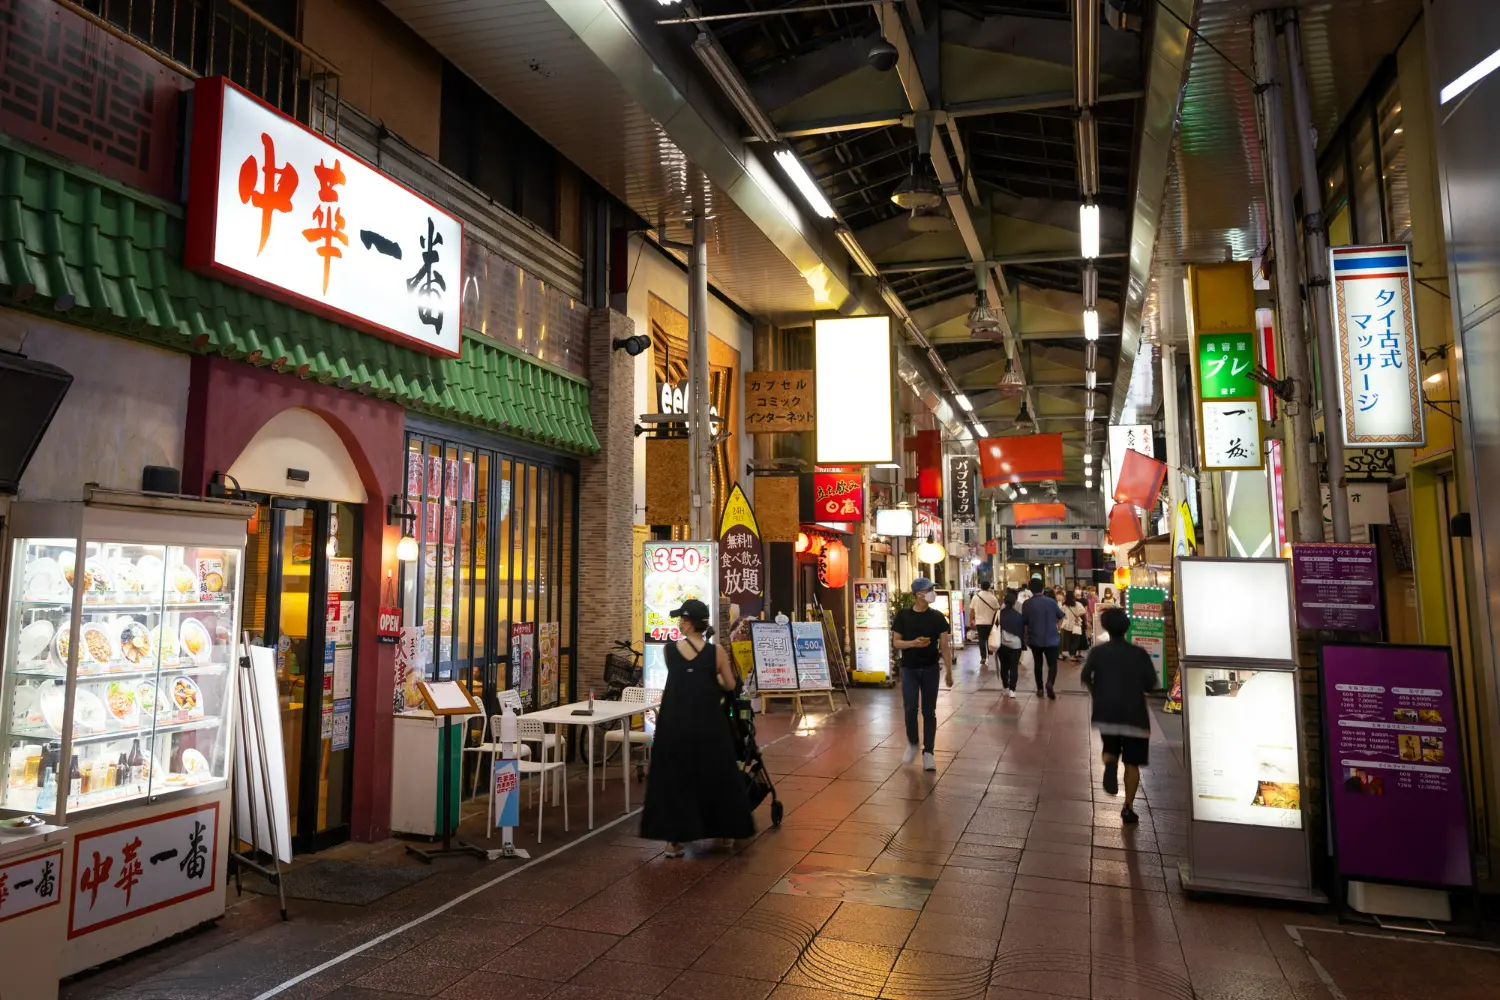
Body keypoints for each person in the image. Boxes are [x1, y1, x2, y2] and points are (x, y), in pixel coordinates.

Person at [640, 599, 755, 857]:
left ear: (690, 623)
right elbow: (729, 684)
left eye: (682, 619)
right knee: (717, 775)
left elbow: (681, 679)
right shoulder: (717, 653)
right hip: (709, 726)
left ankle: (673, 841)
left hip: (675, 726)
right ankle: (725, 833)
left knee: (676, 779)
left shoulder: (669, 651)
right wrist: (714, 678)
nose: (679, 624)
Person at [1079, 607, 1158, 824]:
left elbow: (1085, 676)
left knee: (1110, 748)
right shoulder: (1139, 654)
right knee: (1132, 763)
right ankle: (1128, 807)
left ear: (1105, 626)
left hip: (1107, 713)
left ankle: (1110, 762)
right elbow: (1151, 685)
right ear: (1126, 627)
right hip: (1135, 716)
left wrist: (1097, 693)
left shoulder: (1098, 652)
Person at [891, 578, 954, 770]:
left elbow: (944, 646)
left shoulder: (937, 617)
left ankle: (929, 752)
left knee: (929, 711)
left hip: (930, 668)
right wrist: (913, 643)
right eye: (928, 590)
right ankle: (912, 743)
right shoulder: (903, 616)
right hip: (909, 668)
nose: (932, 593)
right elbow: (896, 642)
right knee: (910, 707)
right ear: (918, 594)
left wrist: (949, 671)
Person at [1021, 578, 1063, 699]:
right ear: (1042, 588)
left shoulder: (1027, 603)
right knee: (1052, 664)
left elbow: (1024, 621)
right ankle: (1050, 683)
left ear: (1030, 589)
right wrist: (1055, 623)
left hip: (1035, 638)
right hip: (1052, 638)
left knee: (1038, 664)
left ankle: (1039, 689)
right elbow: (1060, 615)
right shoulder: (1051, 602)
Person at [996, 588, 1026, 699]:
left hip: (1002, 644)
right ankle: (1013, 690)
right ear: (1014, 603)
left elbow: (994, 628)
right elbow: (1022, 631)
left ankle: (1005, 687)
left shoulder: (999, 614)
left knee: (1004, 666)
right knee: (1014, 667)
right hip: (1016, 645)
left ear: (1004, 602)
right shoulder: (1018, 616)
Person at [968, 581, 1001, 672]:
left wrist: (971, 621)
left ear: (981, 587)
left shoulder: (975, 597)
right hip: (991, 623)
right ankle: (990, 655)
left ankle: (983, 657)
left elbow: (971, 611)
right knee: (991, 639)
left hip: (980, 622)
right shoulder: (993, 597)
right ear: (989, 587)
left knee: (982, 640)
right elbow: (997, 610)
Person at [1060, 591, 1084, 660]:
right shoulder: (1077, 604)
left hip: (1067, 625)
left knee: (1068, 640)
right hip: (1075, 624)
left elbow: (1061, 614)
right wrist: (1077, 615)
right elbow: (1083, 611)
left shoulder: (1064, 606)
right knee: (1075, 640)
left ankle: (1070, 654)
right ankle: (1073, 655)